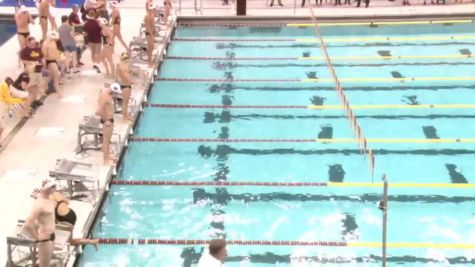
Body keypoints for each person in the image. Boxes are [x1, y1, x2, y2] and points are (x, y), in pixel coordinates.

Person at [24, 179, 57, 267]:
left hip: (52, 236)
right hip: (45, 239)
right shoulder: (39, 204)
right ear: (47, 188)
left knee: (48, 264)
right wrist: (38, 239)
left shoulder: (49, 199)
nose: (56, 188)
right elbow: (28, 224)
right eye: (53, 187)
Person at [96, 84, 119, 165]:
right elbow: (98, 111)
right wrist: (105, 120)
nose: (115, 94)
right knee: (105, 141)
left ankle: (108, 156)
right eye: (114, 92)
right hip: (107, 121)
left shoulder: (107, 93)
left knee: (108, 140)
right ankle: (105, 161)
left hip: (110, 120)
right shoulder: (104, 96)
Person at [42, 32, 62, 98]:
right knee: (56, 76)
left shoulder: (53, 42)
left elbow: (55, 52)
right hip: (49, 61)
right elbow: (44, 56)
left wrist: (58, 60)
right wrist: (44, 66)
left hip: (54, 60)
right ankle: (59, 93)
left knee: (50, 78)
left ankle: (44, 89)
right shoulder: (45, 44)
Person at [117, 52, 133, 122]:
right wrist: (132, 81)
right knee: (125, 102)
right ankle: (124, 118)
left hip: (125, 85)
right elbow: (127, 77)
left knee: (126, 102)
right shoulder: (123, 67)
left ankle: (126, 116)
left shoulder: (121, 65)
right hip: (125, 86)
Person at [144, 4, 155, 68]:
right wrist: (151, 34)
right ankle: (149, 63)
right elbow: (147, 27)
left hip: (152, 33)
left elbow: (153, 24)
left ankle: (150, 60)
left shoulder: (152, 15)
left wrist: (154, 31)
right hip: (148, 33)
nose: (153, 10)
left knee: (152, 47)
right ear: (150, 9)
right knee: (150, 47)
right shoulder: (147, 16)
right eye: (152, 9)